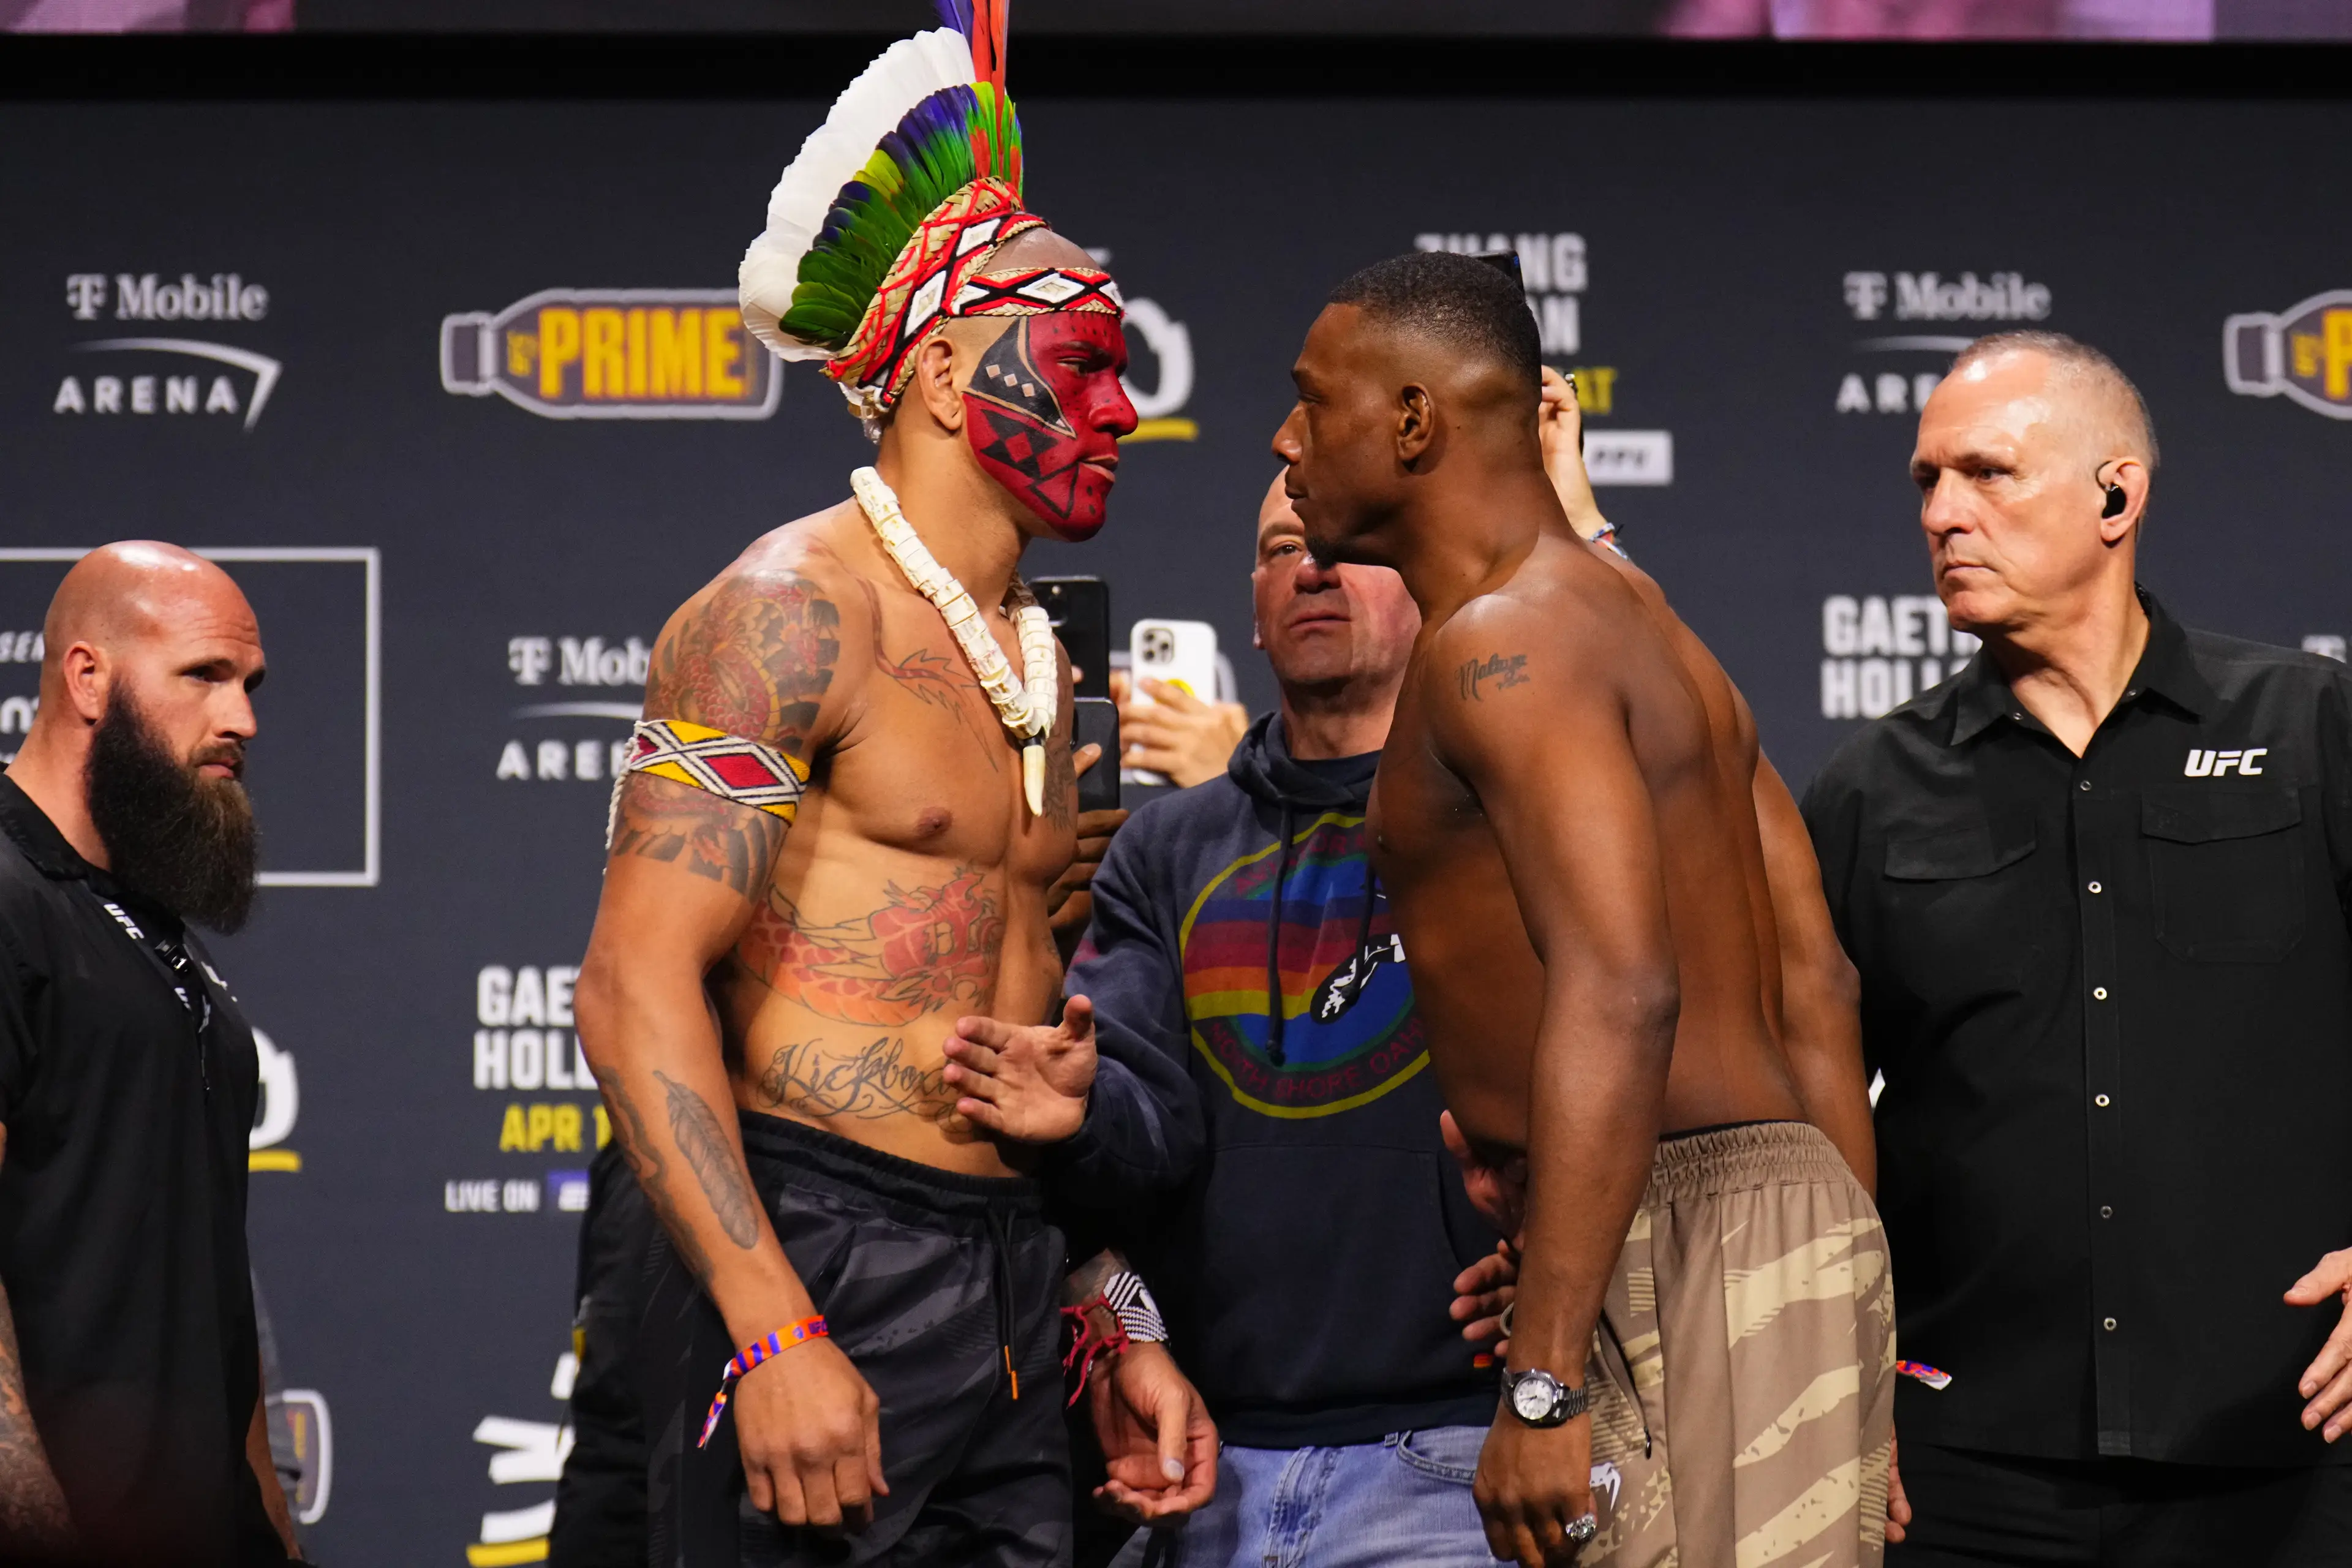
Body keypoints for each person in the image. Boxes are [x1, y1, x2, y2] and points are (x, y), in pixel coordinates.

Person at [571, 14, 1208, 1564]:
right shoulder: (790, 612)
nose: (1123, 405)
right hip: (811, 1249)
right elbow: (631, 983)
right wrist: (772, 1329)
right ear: (938, 367)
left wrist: (1111, 1309)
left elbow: (1036, 1036)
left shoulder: (1062, 671)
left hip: (1009, 1285)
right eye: (1083, 360)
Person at [1276, 250, 1892, 1568]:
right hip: (1754, 1233)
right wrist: (1835, 1319)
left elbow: (1622, 983)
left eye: (1311, 400)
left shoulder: (1505, 643)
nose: (1284, 439)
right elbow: (1818, 984)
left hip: (1685, 1236)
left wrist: (1544, 1374)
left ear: (1412, 421)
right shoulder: (1645, 624)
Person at [1803, 330, 2352, 1566]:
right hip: (1968, 1460)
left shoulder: (2310, 725)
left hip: (2294, 1438)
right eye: (1927, 481)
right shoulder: (1867, 791)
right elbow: (1794, 1105)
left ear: (2118, 492)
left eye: (1986, 473)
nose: (1944, 513)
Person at [944, 471, 1506, 1567]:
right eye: (1281, 547)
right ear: (1252, 608)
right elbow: (1145, 1121)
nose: (1313, 566)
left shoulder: (1501, 826)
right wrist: (1083, 1103)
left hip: (1451, 1461)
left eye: (1353, 543)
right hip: (1208, 1469)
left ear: (1434, 591)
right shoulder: (1167, 850)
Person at [0, 542, 298, 1565]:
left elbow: (205, 1273)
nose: (243, 721)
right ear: (88, 677)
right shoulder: (7, 900)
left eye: (249, 685)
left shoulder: (150, 930)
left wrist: (273, 1527)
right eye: (205, 677)